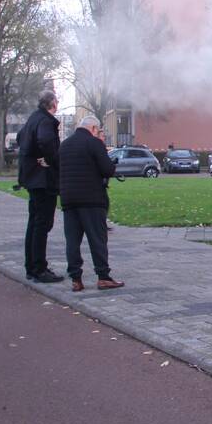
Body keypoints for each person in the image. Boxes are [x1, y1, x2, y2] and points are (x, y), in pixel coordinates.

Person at [58, 116, 124, 292]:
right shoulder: (94, 144)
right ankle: (103, 276)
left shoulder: (64, 145)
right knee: (97, 239)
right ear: (94, 128)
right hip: (92, 198)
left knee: (72, 240)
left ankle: (76, 279)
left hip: (68, 199)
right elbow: (107, 169)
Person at [16, 90, 64, 283]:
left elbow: (21, 137)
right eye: (57, 100)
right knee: (42, 224)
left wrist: (33, 155)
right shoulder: (45, 121)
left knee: (34, 223)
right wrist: (51, 161)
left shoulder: (33, 119)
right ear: (52, 103)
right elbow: (45, 141)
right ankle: (39, 268)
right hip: (43, 180)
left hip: (32, 178)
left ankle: (32, 266)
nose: (58, 103)